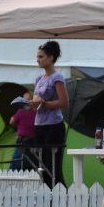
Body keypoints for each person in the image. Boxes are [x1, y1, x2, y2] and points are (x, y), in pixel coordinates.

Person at [29, 41, 69, 188]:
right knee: (42, 166)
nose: (37, 60)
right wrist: (31, 104)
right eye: (37, 57)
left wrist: (43, 103)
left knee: (53, 167)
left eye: (41, 57)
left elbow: (64, 102)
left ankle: (61, 196)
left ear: (51, 57)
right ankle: (48, 196)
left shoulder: (57, 77)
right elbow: (37, 103)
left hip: (53, 125)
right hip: (39, 125)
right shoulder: (39, 79)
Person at [8, 92, 36, 171]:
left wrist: (18, 126)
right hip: (33, 141)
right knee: (30, 163)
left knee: (15, 163)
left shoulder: (21, 111)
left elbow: (11, 122)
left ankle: (11, 176)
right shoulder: (37, 112)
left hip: (23, 140)